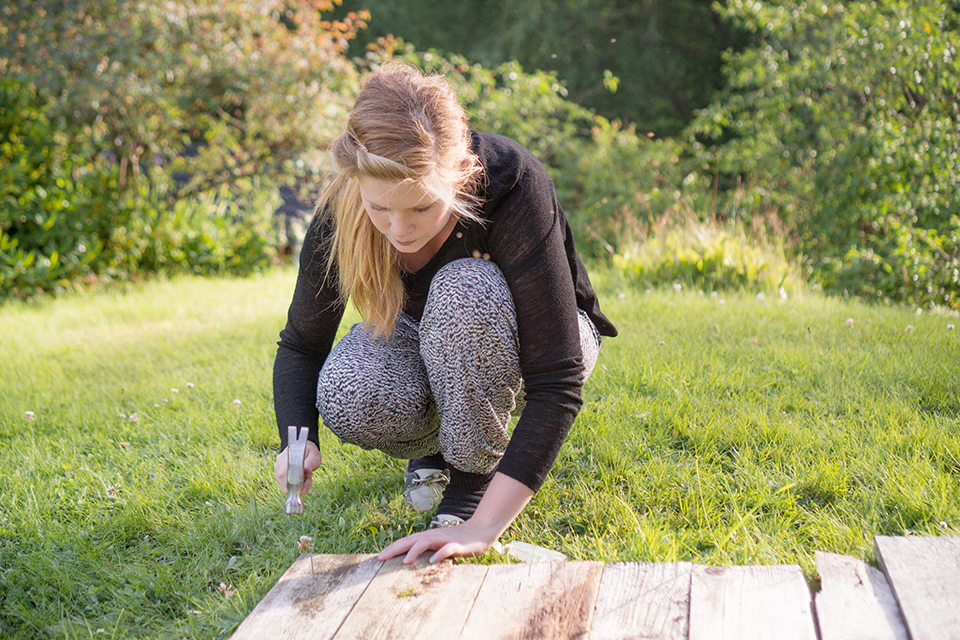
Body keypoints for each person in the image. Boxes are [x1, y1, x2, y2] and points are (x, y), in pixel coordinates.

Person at [272, 63, 617, 565]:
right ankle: (438, 449)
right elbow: (303, 344)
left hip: (532, 342)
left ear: (459, 177)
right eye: (380, 209)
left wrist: (481, 525)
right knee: (348, 391)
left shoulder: (512, 184)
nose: (398, 228)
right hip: (430, 341)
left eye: (420, 208)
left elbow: (557, 380)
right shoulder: (345, 205)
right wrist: (295, 439)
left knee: (464, 288)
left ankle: (468, 483)